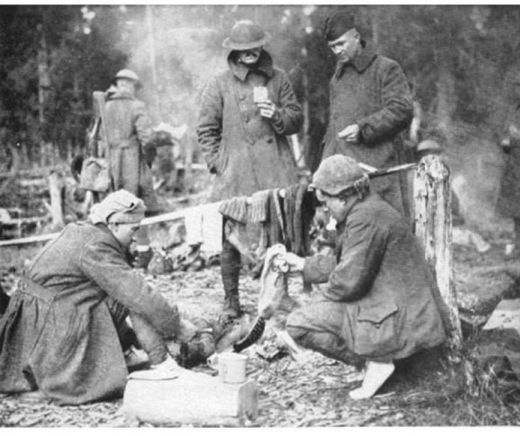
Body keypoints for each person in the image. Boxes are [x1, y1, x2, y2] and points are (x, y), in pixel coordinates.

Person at [282, 154, 446, 400]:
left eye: (327, 201)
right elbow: (347, 262)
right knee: (304, 319)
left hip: (396, 314)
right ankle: (381, 364)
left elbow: (348, 281)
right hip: (395, 306)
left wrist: (317, 304)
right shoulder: (367, 209)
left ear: (345, 196)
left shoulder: (365, 218)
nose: (325, 208)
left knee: (298, 324)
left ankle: (379, 363)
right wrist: (303, 265)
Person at [0, 190, 187, 405]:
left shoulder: (88, 232)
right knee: (129, 295)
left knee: (120, 293)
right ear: (114, 224)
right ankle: (162, 364)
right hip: (45, 327)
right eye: (133, 229)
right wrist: (176, 325)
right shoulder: (95, 245)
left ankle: (127, 351)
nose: (137, 236)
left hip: (36, 320)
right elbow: (138, 293)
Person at [197, 20, 303, 319]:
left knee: (278, 230)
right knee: (230, 233)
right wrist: (220, 163)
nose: (249, 54)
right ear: (233, 51)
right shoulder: (220, 83)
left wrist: (277, 115)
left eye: (254, 48)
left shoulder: (278, 79)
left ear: (261, 46)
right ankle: (231, 299)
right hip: (237, 170)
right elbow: (206, 129)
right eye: (242, 50)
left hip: (274, 167)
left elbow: (296, 119)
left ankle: (278, 296)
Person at [321, 12, 413, 218]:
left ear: (356, 36)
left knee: (385, 231)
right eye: (332, 46)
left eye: (341, 43)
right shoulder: (338, 78)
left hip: (379, 171)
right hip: (346, 177)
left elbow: (401, 110)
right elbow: (334, 126)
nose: (337, 50)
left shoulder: (385, 68)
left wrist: (363, 129)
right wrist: (325, 167)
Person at [103, 69, 160, 215]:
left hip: (111, 161)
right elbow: (147, 139)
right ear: (131, 86)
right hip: (132, 161)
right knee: (138, 203)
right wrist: (149, 159)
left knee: (115, 204)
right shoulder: (137, 106)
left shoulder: (105, 107)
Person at [496, 68, 520, 260]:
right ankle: (519, 247)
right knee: (519, 212)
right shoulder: (516, 108)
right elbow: (505, 130)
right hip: (517, 167)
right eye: (517, 86)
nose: (519, 90)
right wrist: (506, 139)